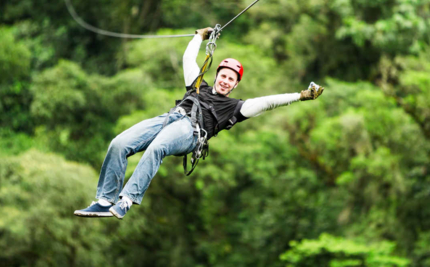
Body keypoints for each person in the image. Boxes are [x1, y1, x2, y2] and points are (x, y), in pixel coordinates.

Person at [74, 27, 324, 220]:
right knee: (120, 143)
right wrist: (199, 37)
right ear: (217, 76)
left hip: (191, 131)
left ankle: (127, 200)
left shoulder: (236, 108)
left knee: (157, 147)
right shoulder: (197, 85)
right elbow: (187, 59)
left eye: (231, 80)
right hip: (169, 118)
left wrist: (300, 95)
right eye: (224, 76)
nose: (226, 81)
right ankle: (105, 200)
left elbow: (268, 102)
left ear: (236, 85)